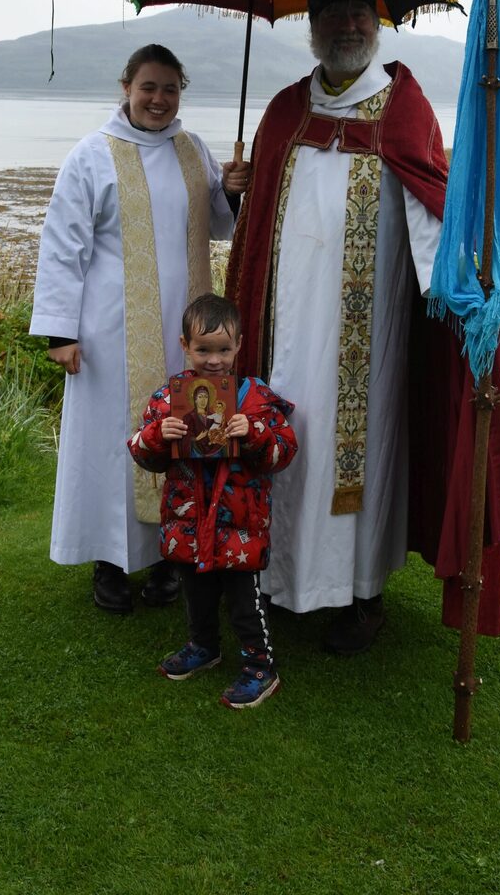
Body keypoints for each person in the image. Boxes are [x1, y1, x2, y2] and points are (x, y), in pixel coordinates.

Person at [226, 0, 500, 654]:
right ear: (313, 26)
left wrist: (462, 275)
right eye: (332, 16)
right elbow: (261, 220)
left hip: (367, 336)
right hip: (284, 328)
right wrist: (236, 192)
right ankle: (276, 579)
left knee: (354, 456)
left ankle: (359, 595)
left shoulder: (403, 107)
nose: (346, 26)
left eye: (358, 14)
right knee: (282, 434)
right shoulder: (284, 110)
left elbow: (433, 202)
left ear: (377, 23)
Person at [30, 44, 249, 614]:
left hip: (185, 327)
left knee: (180, 436)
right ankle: (109, 560)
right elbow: (62, 246)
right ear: (125, 86)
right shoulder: (91, 156)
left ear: (182, 93)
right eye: (149, 87)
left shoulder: (190, 148)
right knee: (116, 442)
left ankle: (169, 558)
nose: (159, 99)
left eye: (171, 88)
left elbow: (218, 225)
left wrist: (230, 187)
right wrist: (61, 331)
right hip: (111, 331)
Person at [128, 293, 298, 709]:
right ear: (185, 346)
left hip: (240, 524)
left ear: (238, 346)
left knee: (244, 601)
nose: (215, 360)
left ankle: (261, 667)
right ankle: (203, 646)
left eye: (224, 349)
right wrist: (157, 436)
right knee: (196, 593)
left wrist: (254, 431)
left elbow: (283, 451)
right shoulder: (168, 400)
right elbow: (140, 452)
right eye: (203, 349)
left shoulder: (256, 400)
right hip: (187, 521)